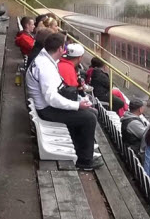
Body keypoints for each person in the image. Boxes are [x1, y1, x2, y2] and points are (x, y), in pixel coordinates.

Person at [26, 33, 102, 170]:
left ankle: (81, 150)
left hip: (47, 105)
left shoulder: (46, 60)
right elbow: (51, 98)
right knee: (89, 118)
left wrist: (78, 101)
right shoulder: (45, 67)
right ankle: (85, 162)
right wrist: (77, 105)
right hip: (46, 110)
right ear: (61, 48)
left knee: (91, 112)